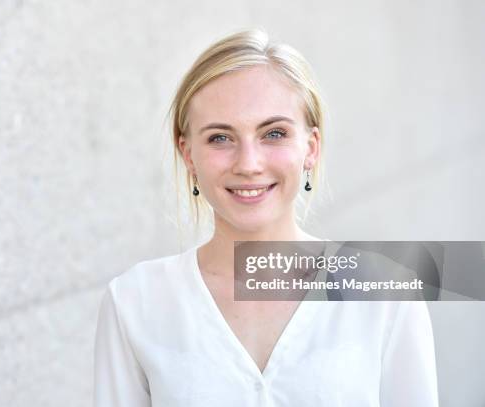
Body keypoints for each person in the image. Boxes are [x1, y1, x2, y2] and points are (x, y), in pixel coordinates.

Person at [93, 28, 439, 406]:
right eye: (220, 138)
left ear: (311, 148)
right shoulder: (135, 301)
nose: (249, 164)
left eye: (273, 133)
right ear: (188, 154)